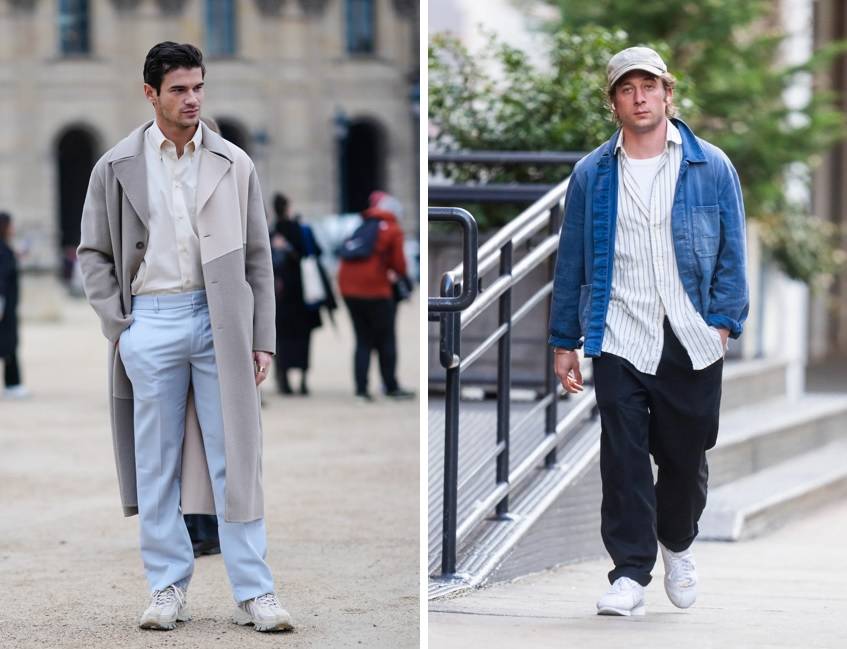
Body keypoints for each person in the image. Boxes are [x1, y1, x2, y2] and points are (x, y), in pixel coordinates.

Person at [77, 42, 291, 632]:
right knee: (156, 463)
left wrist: (263, 337)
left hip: (219, 319)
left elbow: (257, 261)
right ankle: (167, 587)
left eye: (198, 86)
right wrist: (119, 326)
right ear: (150, 93)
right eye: (179, 89)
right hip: (150, 318)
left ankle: (256, 592)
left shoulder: (233, 162)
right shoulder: (116, 165)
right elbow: (92, 252)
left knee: (237, 459)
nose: (192, 98)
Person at [548, 46, 749, 616]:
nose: (639, 98)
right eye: (627, 89)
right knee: (624, 456)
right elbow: (572, 262)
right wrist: (566, 340)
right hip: (619, 332)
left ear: (667, 93)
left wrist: (723, 323)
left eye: (649, 87)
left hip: (691, 335)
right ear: (613, 102)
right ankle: (630, 573)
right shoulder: (592, 174)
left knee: (687, 456)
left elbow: (734, 250)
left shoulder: (711, 165)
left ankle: (678, 542)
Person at [337, 191, 414, 401]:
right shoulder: (393, 229)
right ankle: (390, 386)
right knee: (386, 339)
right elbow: (400, 264)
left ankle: (361, 389)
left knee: (362, 340)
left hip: (349, 290)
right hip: (377, 291)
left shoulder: (361, 226)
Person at [270, 193, 336, 395]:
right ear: (288, 207)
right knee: (304, 340)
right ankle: (304, 380)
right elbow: (317, 252)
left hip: (279, 296)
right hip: (303, 294)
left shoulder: (271, 232)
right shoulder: (302, 229)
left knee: (281, 339)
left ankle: (284, 379)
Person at [0, 212, 29, 399]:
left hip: (8, 306)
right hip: (4, 307)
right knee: (8, 344)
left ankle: (14, 383)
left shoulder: (5, 249)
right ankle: (13, 384)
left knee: (9, 344)